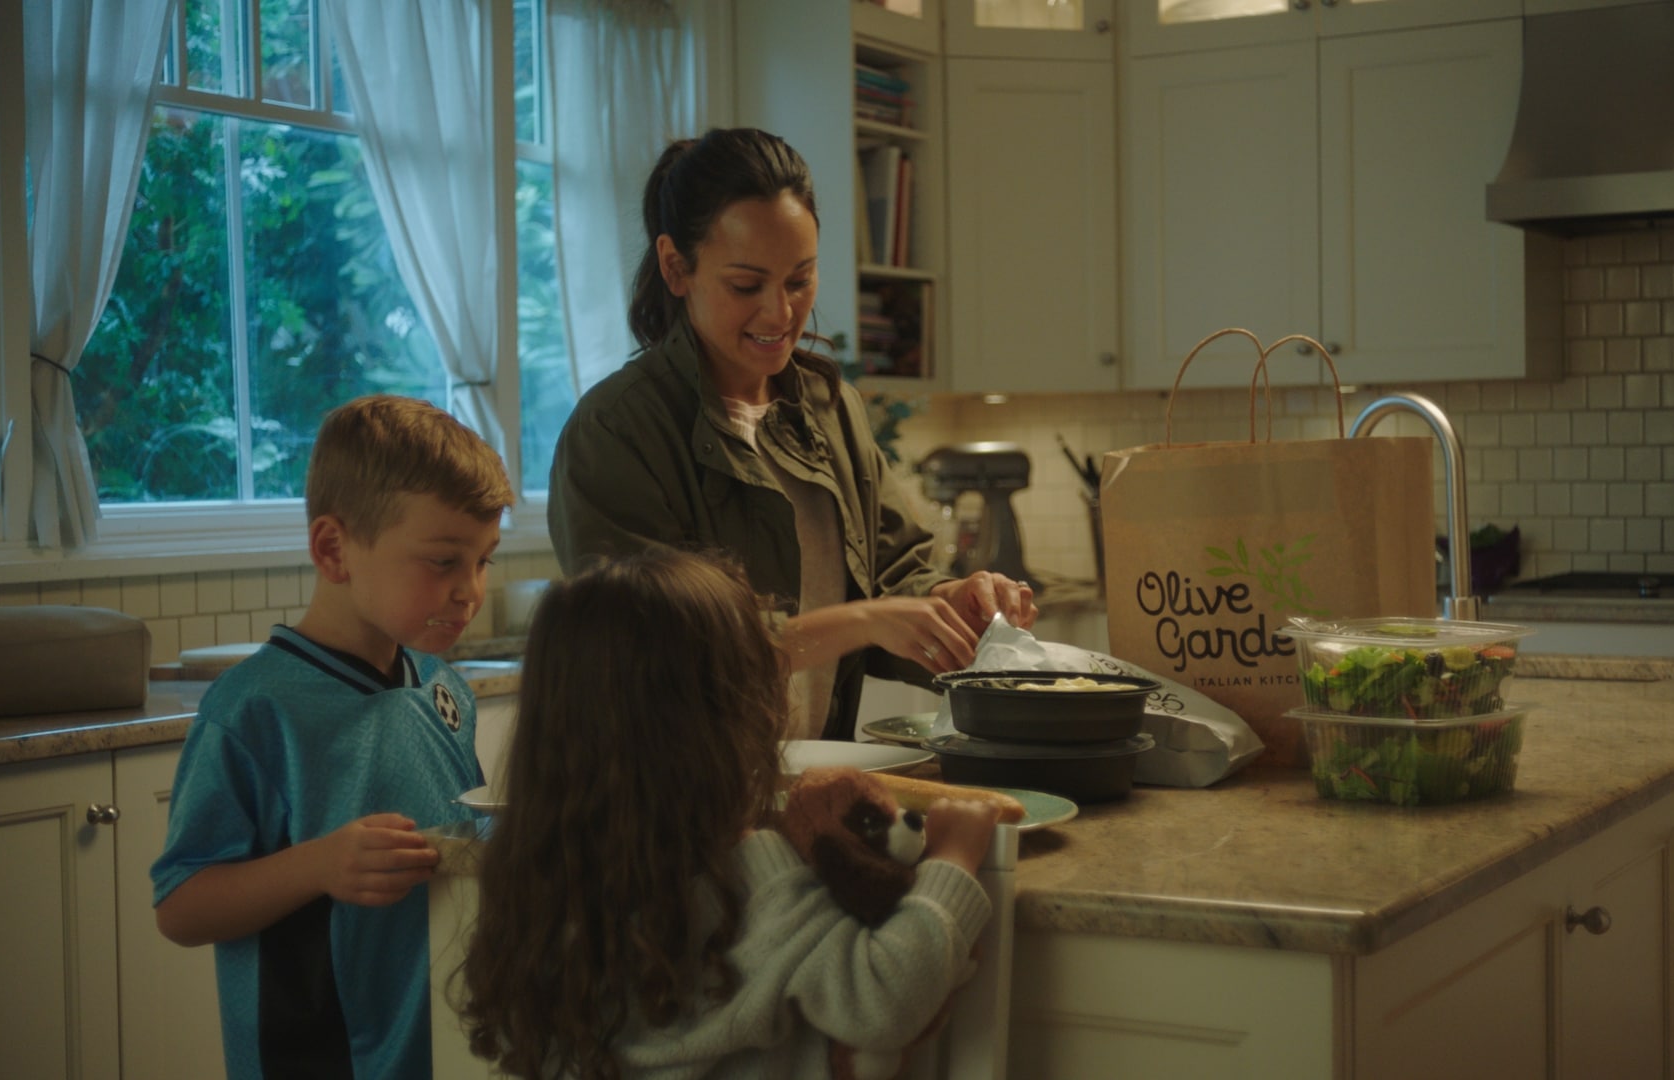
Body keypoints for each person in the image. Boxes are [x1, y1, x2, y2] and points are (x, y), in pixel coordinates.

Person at [548, 126, 1038, 741]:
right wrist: (864, 619)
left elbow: (891, 580)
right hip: (670, 812)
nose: (780, 313)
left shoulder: (834, 412)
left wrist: (951, 601)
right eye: (746, 286)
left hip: (815, 786)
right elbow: (652, 653)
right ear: (676, 266)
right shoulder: (615, 432)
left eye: (800, 280)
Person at [455, 549, 1001, 1078]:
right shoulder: (747, 873)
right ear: (731, 720)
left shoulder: (537, 874)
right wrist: (952, 859)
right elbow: (886, 997)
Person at [151, 394, 515, 1080]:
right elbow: (181, 906)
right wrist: (317, 866)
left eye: (484, 560)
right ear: (333, 549)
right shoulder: (255, 711)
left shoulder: (445, 690)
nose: (471, 590)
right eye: (443, 561)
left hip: (436, 1048)